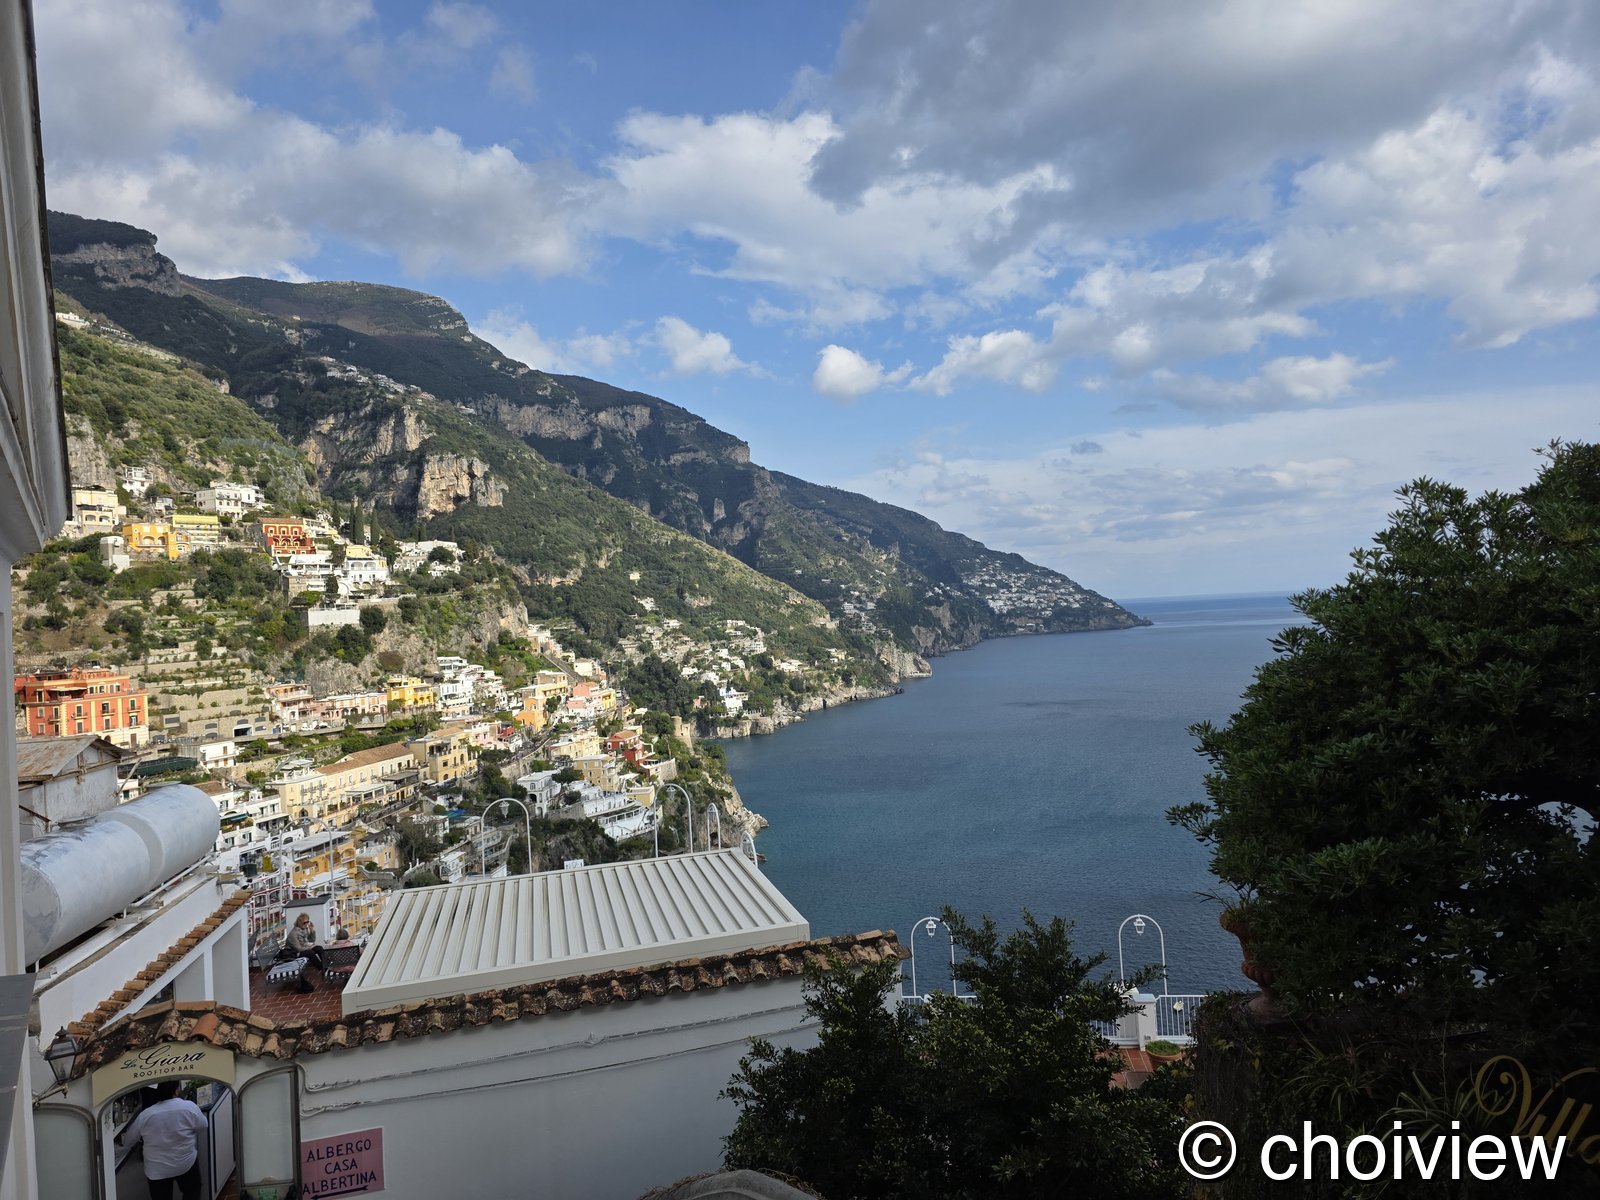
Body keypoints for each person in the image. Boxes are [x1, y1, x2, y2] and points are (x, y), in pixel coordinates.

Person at [117, 1079, 208, 1200]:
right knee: (192, 1192)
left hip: (157, 1170)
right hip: (185, 1163)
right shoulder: (189, 1107)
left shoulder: (145, 1115)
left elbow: (128, 1141)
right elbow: (203, 1125)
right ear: (177, 1090)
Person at [285, 913, 326, 992]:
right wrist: (310, 947)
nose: (307, 924)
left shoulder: (304, 930)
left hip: (302, 949)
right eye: (305, 922)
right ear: (300, 923)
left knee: (319, 948)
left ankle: (325, 965)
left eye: (308, 922)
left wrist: (312, 930)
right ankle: (321, 967)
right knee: (310, 953)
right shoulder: (293, 934)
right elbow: (298, 948)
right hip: (294, 954)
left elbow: (311, 940)